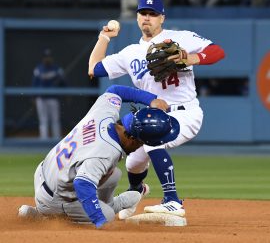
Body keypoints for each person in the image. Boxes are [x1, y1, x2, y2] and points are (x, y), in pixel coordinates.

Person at [88, 0, 225, 219]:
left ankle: (172, 200)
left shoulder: (180, 38)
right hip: (153, 115)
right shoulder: (130, 53)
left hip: (185, 112)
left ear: (162, 18)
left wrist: (192, 58)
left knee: (151, 136)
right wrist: (104, 37)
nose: (147, 18)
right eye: (143, 13)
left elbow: (218, 51)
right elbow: (94, 68)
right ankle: (135, 192)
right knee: (133, 161)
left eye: (153, 14)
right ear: (138, 17)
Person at [18, 84, 177, 228]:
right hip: (55, 199)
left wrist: (152, 100)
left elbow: (114, 91)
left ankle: (47, 211)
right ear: (132, 138)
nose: (141, 146)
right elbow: (82, 184)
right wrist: (100, 221)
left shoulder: (105, 114)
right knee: (106, 216)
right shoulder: (105, 152)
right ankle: (42, 215)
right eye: (142, 142)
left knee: (114, 174)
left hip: (44, 173)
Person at [32, 48, 66, 140]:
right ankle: (43, 141)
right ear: (43, 58)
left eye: (49, 57)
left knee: (55, 120)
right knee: (43, 120)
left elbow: (64, 84)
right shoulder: (38, 69)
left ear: (52, 58)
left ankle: (56, 140)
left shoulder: (57, 69)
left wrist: (66, 94)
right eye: (46, 57)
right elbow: (34, 85)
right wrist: (34, 97)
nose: (47, 59)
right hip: (41, 98)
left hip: (53, 98)